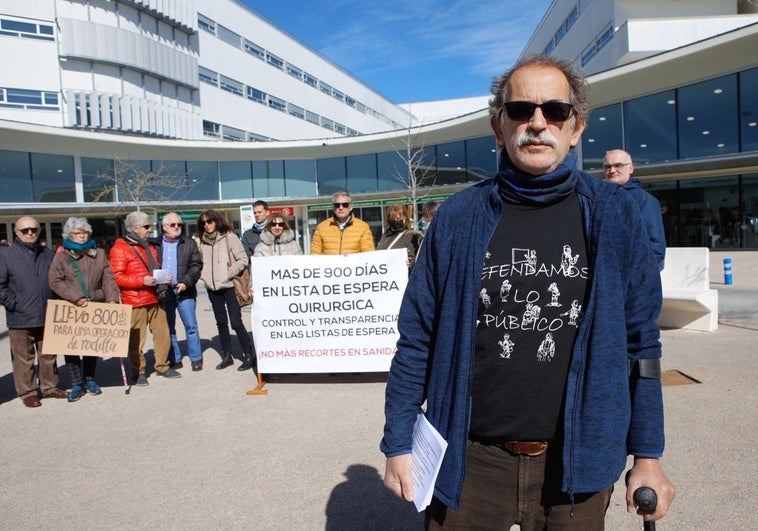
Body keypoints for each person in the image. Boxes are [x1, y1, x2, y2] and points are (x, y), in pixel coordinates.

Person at [381, 55, 675, 528]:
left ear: (575, 127)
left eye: (555, 111)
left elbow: (643, 345)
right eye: (520, 110)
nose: (537, 123)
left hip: (574, 468)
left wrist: (648, 455)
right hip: (469, 461)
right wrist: (398, 440)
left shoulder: (614, 216)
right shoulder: (456, 219)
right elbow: (417, 338)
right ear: (498, 127)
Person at [48, 217, 120, 402]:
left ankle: (90, 379)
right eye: (78, 233)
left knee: (91, 344)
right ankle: (76, 383)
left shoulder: (100, 253)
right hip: (72, 306)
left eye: (85, 233)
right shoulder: (61, 256)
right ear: (69, 235)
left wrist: (112, 300)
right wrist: (75, 297)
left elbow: (108, 278)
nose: (82, 236)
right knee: (71, 347)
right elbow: (55, 281)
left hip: (95, 304)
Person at [0, 217, 69, 407]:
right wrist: (13, 303)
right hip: (21, 316)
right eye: (25, 230)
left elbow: (58, 280)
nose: (30, 233)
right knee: (24, 357)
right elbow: (0, 286)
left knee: (49, 354)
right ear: (16, 232)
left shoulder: (47, 253)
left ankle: (49, 387)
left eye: (33, 229)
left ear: (39, 231)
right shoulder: (6, 255)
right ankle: (28, 392)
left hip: (47, 313)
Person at [110, 211, 180, 386]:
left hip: (155, 297)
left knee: (163, 334)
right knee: (137, 339)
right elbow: (116, 277)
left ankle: (162, 365)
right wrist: (140, 281)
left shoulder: (147, 246)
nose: (150, 230)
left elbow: (154, 268)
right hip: (135, 300)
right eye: (147, 227)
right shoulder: (119, 249)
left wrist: (164, 278)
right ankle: (138, 371)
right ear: (135, 228)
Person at [197, 210, 256, 373]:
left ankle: (249, 355)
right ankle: (227, 355)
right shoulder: (202, 241)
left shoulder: (229, 237)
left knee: (236, 322)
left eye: (209, 221)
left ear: (216, 221)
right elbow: (200, 262)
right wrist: (204, 276)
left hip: (230, 286)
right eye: (203, 223)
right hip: (212, 288)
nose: (206, 225)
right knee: (221, 323)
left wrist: (228, 273)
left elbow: (243, 259)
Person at [153, 213, 204, 371]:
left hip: (184, 291)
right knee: (169, 328)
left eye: (179, 225)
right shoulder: (154, 245)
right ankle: (175, 358)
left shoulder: (189, 243)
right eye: (173, 224)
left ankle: (196, 358)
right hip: (164, 292)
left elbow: (196, 265)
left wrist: (186, 282)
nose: (177, 227)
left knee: (191, 326)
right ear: (164, 227)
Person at [603, 149, 667, 270]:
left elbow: (655, 246)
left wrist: (643, 274)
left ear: (631, 168)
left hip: (635, 274)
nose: (612, 170)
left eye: (618, 165)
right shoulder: (602, 199)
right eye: (607, 166)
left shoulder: (645, 200)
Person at [310, 191, 375, 254]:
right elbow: (314, 255)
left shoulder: (363, 227)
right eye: (337, 205)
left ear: (351, 207)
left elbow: (368, 255)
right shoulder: (321, 228)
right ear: (333, 207)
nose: (341, 208)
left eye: (345, 205)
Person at [376, 203, 422, 272]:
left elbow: (414, 259)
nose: (395, 221)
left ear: (405, 217)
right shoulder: (386, 235)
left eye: (398, 218)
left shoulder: (411, 236)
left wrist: (410, 262)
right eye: (392, 218)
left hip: (402, 275)